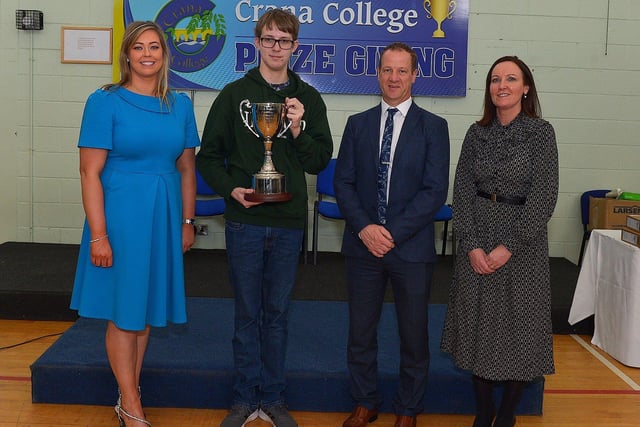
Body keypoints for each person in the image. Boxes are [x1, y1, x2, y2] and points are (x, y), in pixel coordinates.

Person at [195, 9, 333, 427]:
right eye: (269, 39)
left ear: (295, 47)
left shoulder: (308, 99)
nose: (276, 47)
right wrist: (230, 190)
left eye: (284, 41)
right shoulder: (233, 94)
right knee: (246, 314)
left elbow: (318, 161)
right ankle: (243, 399)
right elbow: (207, 158)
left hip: (289, 222)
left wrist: (296, 128)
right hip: (245, 221)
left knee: (276, 315)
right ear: (256, 43)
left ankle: (272, 398)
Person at [70, 21, 199, 427]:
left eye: (155, 47)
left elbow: (187, 169)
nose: (147, 54)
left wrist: (187, 221)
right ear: (126, 55)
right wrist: (99, 234)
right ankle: (130, 402)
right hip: (121, 218)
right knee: (124, 312)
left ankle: (130, 393)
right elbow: (89, 172)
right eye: (139, 47)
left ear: (165, 54)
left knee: (143, 313)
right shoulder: (104, 101)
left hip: (163, 216)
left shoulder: (180, 104)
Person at [334, 42, 450, 427]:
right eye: (387, 70)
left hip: (411, 249)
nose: (394, 77)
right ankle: (365, 401)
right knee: (360, 331)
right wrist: (367, 229)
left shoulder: (434, 127)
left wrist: (391, 233)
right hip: (362, 245)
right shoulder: (357, 123)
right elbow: (343, 183)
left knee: (414, 335)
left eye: (402, 71)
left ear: (415, 75)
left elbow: (434, 190)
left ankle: (408, 408)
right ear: (377, 73)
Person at [440, 55, 559, 427]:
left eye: (510, 78)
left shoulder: (541, 133)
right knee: (477, 327)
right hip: (477, 236)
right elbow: (461, 190)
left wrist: (510, 245)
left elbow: (545, 194)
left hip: (522, 244)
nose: (501, 85)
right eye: (494, 79)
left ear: (525, 88)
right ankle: (482, 411)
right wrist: (472, 244)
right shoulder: (477, 133)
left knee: (518, 330)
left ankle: (507, 414)